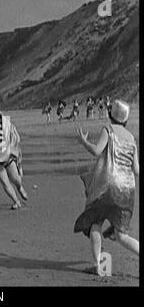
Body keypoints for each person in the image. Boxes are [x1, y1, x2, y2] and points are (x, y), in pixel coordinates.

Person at [74, 100, 139, 276]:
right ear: (126, 119)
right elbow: (137, 170)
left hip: (107, 185)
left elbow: (96, 151)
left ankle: (98, 266)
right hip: (127, 189)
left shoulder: (108, 130)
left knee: (95, 222)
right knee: (121, 235)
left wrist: (84, 142)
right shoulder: (131, 138)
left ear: (111, 115)